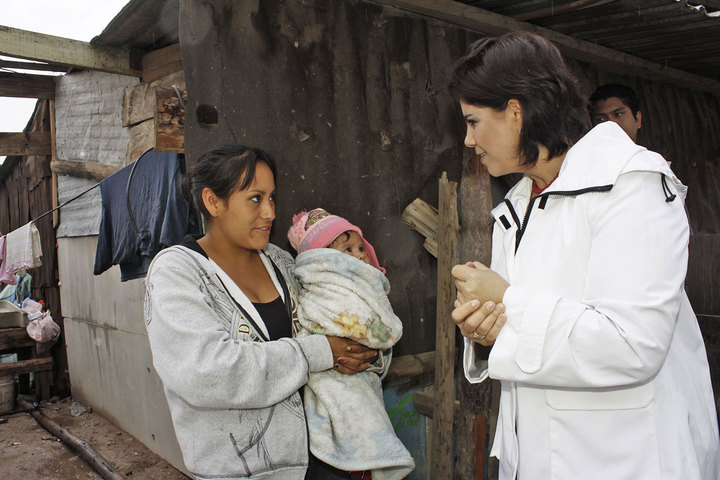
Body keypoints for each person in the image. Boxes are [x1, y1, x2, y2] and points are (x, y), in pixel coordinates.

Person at [447, 32, 720, 480]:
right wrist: (484, 330)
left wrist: (507, 299)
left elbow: (633, 344)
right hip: (542, 455)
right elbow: (524, 333)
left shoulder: (631, 184)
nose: (468, 139)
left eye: (473, 122)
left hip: (627, 459)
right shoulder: (518, 204)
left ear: (515, 112)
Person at [144, 145, 378, 480]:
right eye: (255, 198)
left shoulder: (281, 262)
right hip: (242, 472)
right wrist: (321, 351)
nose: (269, 212)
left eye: (272, 198)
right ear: (213, 202)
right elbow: (207, 373)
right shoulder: (178, 272)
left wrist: (359, 350)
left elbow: (337, 327)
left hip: (326, 460)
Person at [287, 208, 414, 480]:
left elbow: (376, 344)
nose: (359, 256)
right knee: (352, 423)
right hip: (331, 379)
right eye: (347, 250)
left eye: (360, 248)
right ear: (324, 260)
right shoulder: (325, 288)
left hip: (362, 376)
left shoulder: (360, 287)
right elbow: (370, 330)